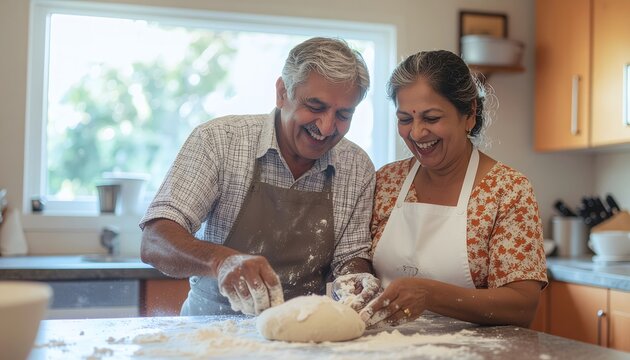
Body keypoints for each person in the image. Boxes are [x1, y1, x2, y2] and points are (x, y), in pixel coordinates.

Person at [139, 37, 380, 316]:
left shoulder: (357, 166)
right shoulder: (220, 141)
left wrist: (356, 282)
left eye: (343, 115)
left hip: (307, 333)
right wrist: (220, 261)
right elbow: (155, 240)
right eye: (315, 107)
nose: (327, 128)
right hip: (210, 333)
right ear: (282, 93)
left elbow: (351, 258)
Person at [359, 50, 547, 328]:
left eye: (432, 118)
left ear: (469, 113)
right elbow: (357, 259)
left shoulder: (506, 190)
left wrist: (430, 294)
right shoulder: (387, 181)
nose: (417, 133)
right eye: (405, 119)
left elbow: (522, 306)